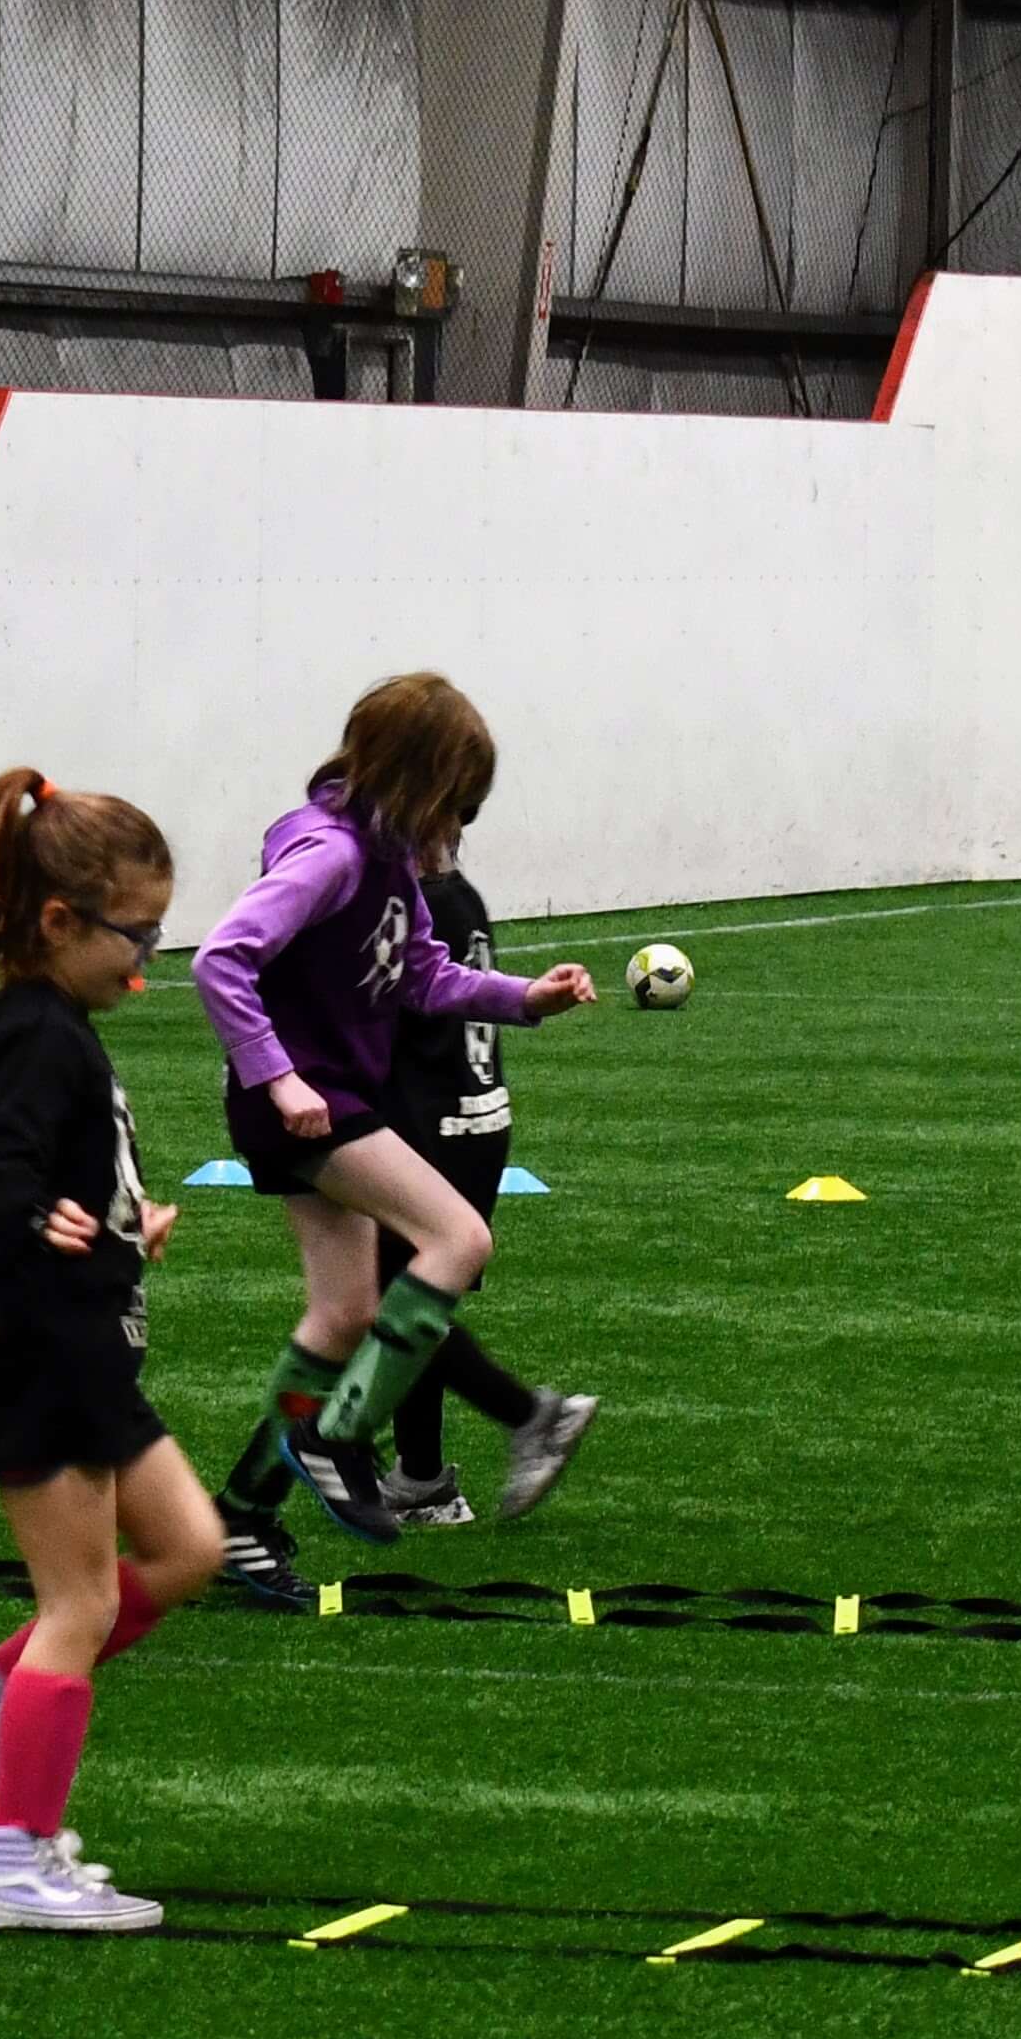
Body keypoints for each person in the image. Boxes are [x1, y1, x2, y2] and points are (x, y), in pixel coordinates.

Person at [0, 769, 226, 1935]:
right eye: (135, 937)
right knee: (78, 1604)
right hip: (37, 1355)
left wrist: (126, 1226)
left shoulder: (61, 1026)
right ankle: (14, 1856)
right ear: (58, 922)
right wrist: (46, 1223)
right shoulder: (35, 1033)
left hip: (87, 1346)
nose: (147, 963)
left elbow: (46, 1180)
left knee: (191, 1546)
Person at [189, 674, 593, 1581]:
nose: (459, 831)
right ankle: (339, 1434)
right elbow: (222, 960)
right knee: (458, 1237)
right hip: (305, 1100)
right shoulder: (330, 857)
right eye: (459, 808)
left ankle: (242, 1517)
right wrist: (280, 1077)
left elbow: (425, 978)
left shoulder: (390, 868)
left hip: (321, 1097)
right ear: (418, 784)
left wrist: (524, 998)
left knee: (344, 1314)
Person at [371, 854, 598, 1534]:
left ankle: (533, 1415)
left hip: (429, 1125)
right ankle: (421, 1480)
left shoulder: (404, 899)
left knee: (391, 1304)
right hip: (477, 1119)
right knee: (417, 1297)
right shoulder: (457, 891)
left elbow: (394, 1011)